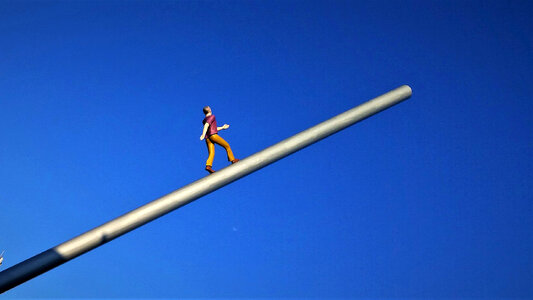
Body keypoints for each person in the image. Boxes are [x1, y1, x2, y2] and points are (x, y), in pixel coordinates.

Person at [200, 106, 239, 173]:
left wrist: (222, 127)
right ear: (209, 110)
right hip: (213, 136)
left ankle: (208, 166)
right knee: (227, 145)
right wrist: (203, 134)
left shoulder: (205, 119)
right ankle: (232, 159)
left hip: (208, 138)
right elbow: (206, 125)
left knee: (211, 153)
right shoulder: (212, 116)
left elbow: (213, 128)